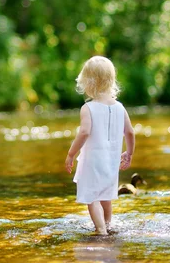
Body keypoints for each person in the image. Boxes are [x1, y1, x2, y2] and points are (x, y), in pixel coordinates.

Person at [65, 56, 135, 235]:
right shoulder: (120, 107)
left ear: (88, 83)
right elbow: (130, 133)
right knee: (106, 195)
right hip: (111, 162)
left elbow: (84, 132)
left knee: (92, 197)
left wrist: (71, 154)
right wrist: (129, 153)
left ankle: (101, 230)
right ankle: (108, 224)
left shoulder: (88, 108)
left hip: (93, 162)